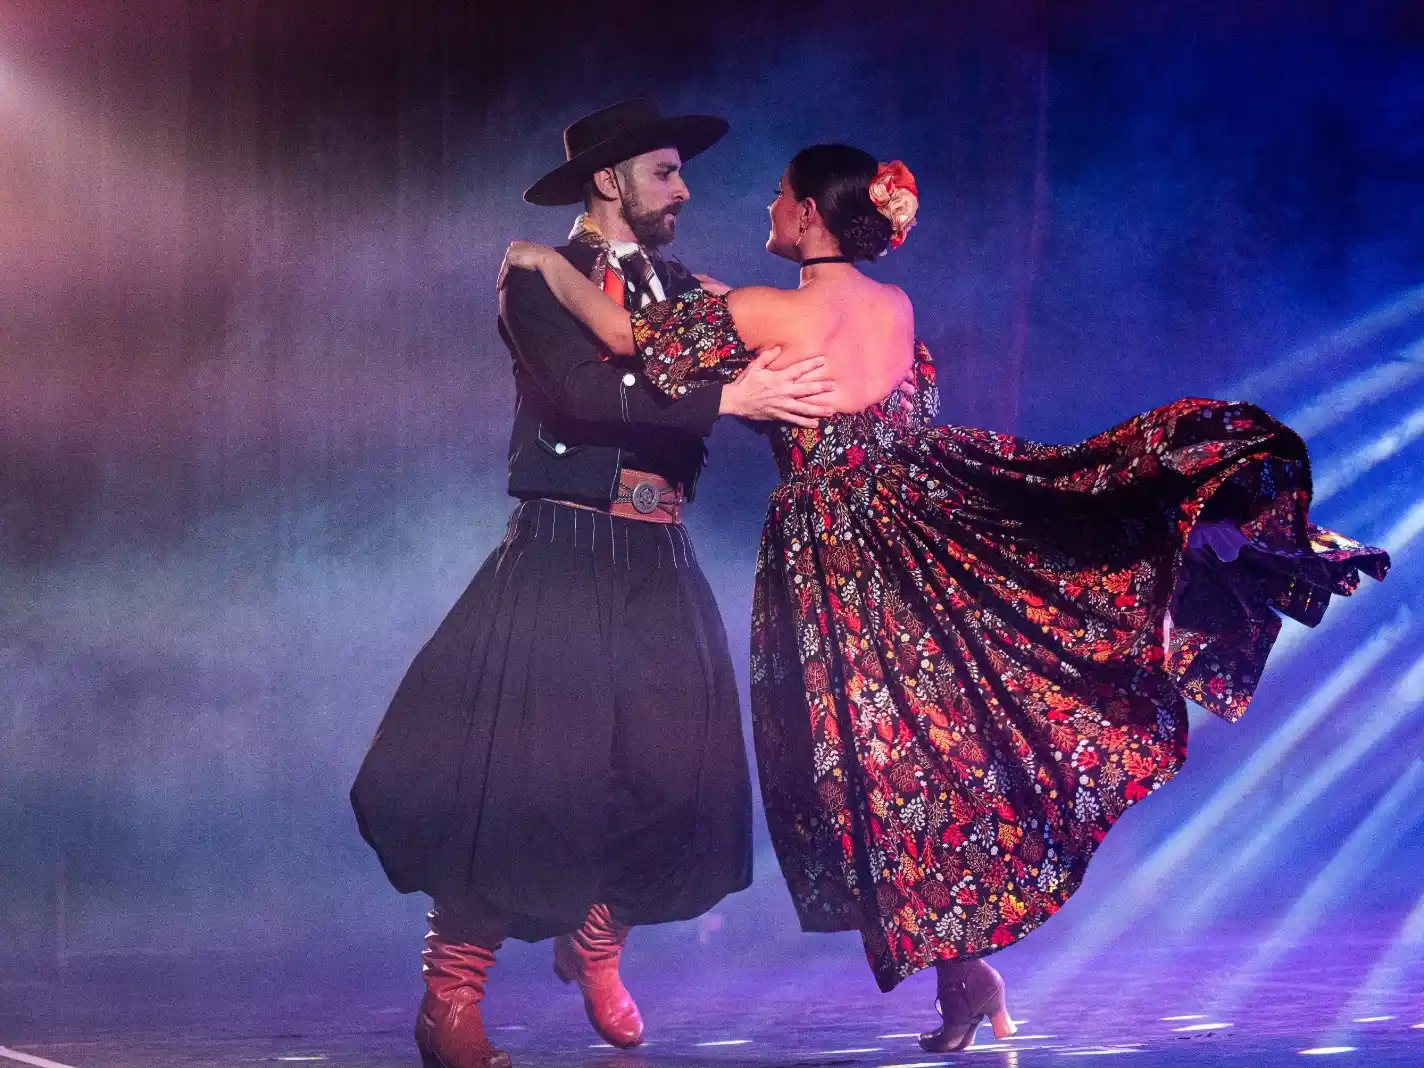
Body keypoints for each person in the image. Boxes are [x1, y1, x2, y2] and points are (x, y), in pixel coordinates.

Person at [501, 142, 1392, 1053]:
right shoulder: (889, 305)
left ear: (809, 214)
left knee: (876, 784)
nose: (767, 208)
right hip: (918, 543)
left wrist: (538, 264)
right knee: (918, 773)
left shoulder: (763, 311)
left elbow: (621, 339)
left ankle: (954, 976)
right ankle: (965, 981)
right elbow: (810, 348)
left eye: (778, 196)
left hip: (841, 568)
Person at [350, 100, 839, 1068]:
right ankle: (450, 993)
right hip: (564, 552)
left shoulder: (685, 292)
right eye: (666, 172)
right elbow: (580, 392)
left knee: (673, 779)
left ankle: (598, 937)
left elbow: (755, 376)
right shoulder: (540, 278)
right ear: (609, 182)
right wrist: (721, 396)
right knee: (528, 788)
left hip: (658, 555)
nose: (685, 189)